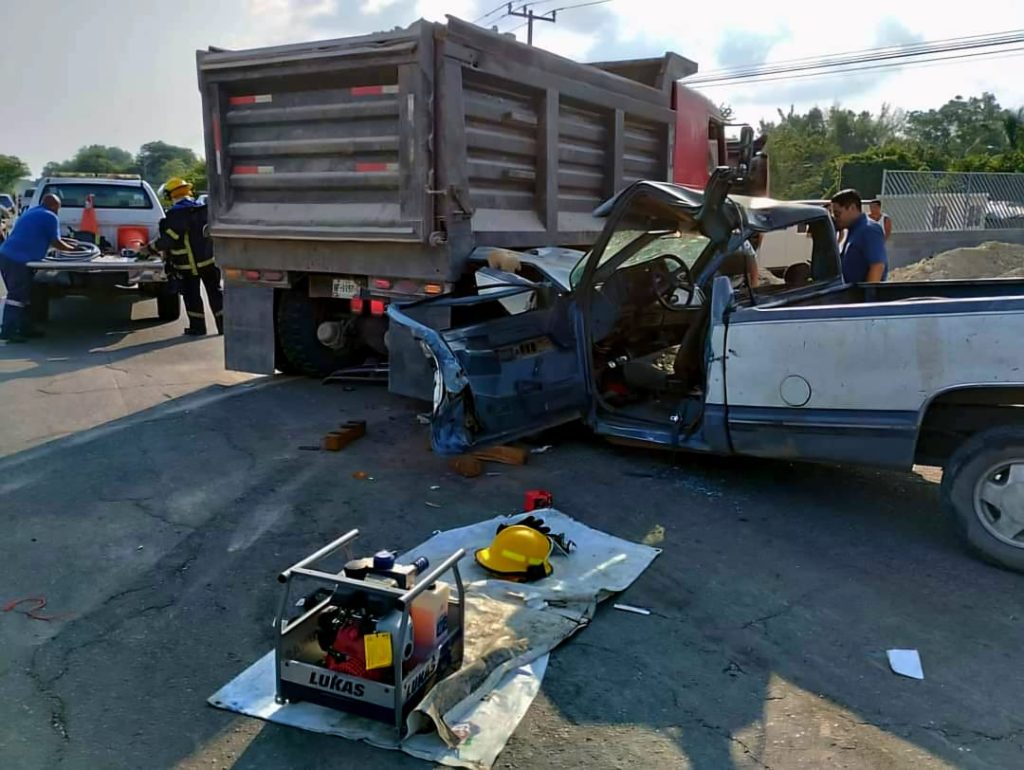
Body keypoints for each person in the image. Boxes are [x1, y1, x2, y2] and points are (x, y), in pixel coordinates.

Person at [147, 177, 223, 336]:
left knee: (191, 296)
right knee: (215, 293)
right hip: (209, 262)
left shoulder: (175, 215)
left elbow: (168, 240)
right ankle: (223, 327)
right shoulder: (203, 209)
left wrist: (148, 248)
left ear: (170, 195)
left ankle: (198, 328)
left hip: (187, 265)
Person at [0, 194, 78, 343]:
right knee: (17, 296)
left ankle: (24, 328)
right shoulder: (50, 216)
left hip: (8, 255)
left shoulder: (32, 211)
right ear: (54, 206)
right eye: (58, 208)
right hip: (17, 259)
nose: (58, 211)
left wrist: (66, 243)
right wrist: (73, 249)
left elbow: (42, 236)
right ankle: (8, 331)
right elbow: (56, 242)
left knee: (26, 295)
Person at [830, 189, 887, 284]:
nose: (836, 219)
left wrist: (868, 293)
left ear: (852, 208)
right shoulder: (853, 230)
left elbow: (877, 266)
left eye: (837, 214)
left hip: (861, 293)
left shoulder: (869, 230)